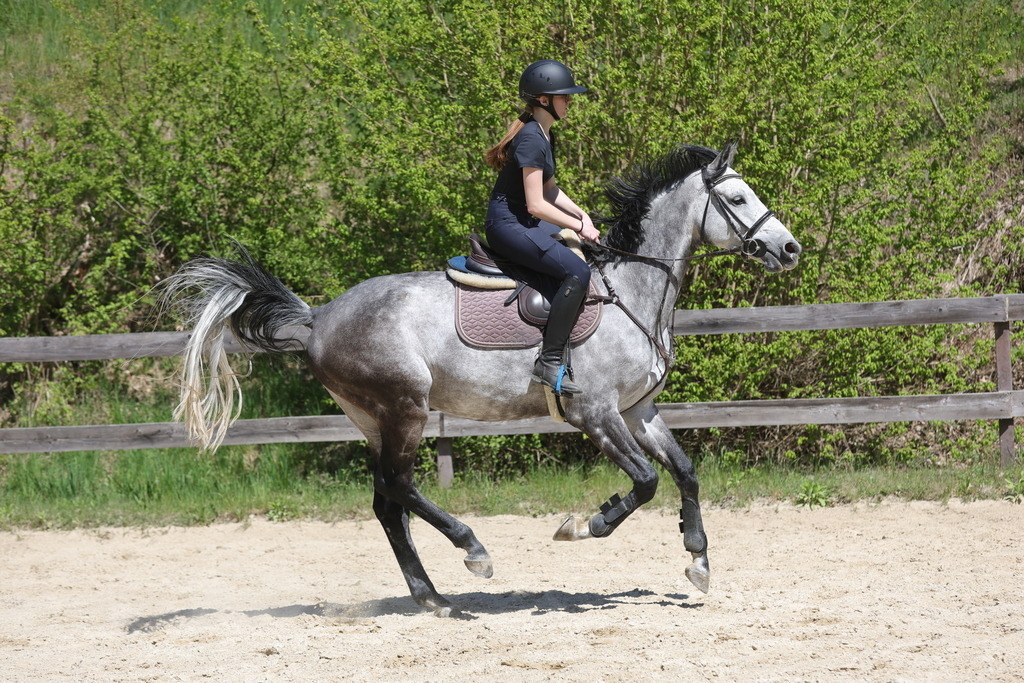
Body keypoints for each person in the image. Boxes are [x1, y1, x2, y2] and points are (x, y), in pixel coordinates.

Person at [483, 59, 600, 395]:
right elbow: (536, 204)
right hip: (508, 225)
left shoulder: (545, 135)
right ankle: (548, 363)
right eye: (565, 96)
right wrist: (577, 226)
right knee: (577, 272)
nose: (570, 101)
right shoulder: (533, 139)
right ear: (545, 100)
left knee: (581, 256)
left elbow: (550, 190)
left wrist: (583, 216)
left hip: (525, 221)